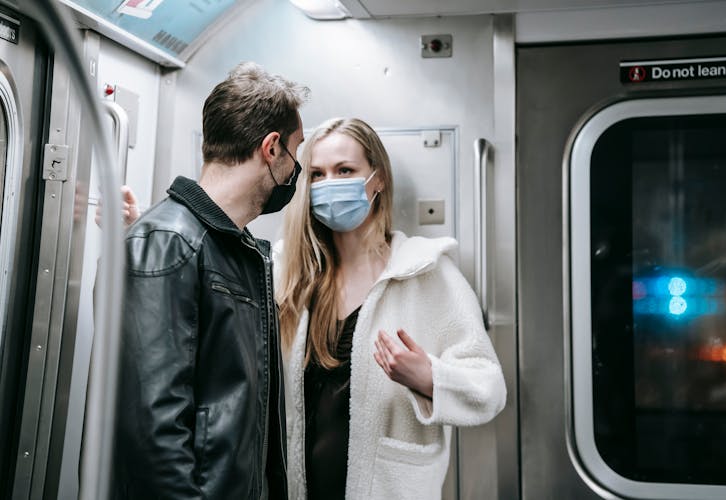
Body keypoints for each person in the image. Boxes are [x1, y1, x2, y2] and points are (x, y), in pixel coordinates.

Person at [275, 118, 507, 500]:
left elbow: (489, 390)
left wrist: (428, 377)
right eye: (317, 174)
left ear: (377, 179)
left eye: (345, 170)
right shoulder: (291, 276)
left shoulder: (426, 274)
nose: (330, 184)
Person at [111, 62, 309, 500]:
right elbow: (152, 428)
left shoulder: (236, 249)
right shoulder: (167, 243)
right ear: (271, 148)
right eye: (296, 152)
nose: (296, 172)